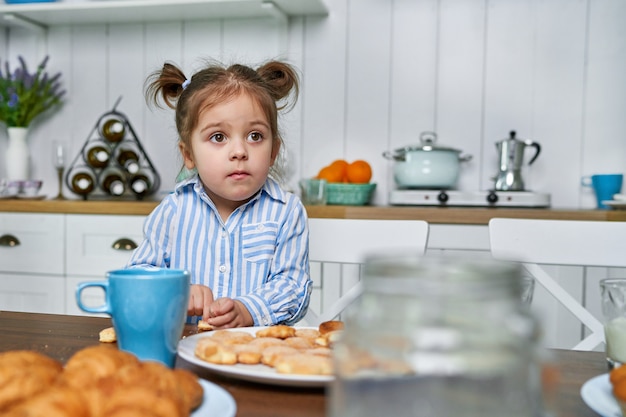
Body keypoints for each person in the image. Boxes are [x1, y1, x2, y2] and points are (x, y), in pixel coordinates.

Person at [127, 59, 311, 329]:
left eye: (255, 136)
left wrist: (248, 310)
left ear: (273, 151)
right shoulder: (174, 210)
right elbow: (136, 277)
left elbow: (293, 287)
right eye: (218, 137)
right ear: (188, 154)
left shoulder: (286, 211)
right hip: (184, 353)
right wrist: (175, 291)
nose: (239, 151)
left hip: (256, 359)